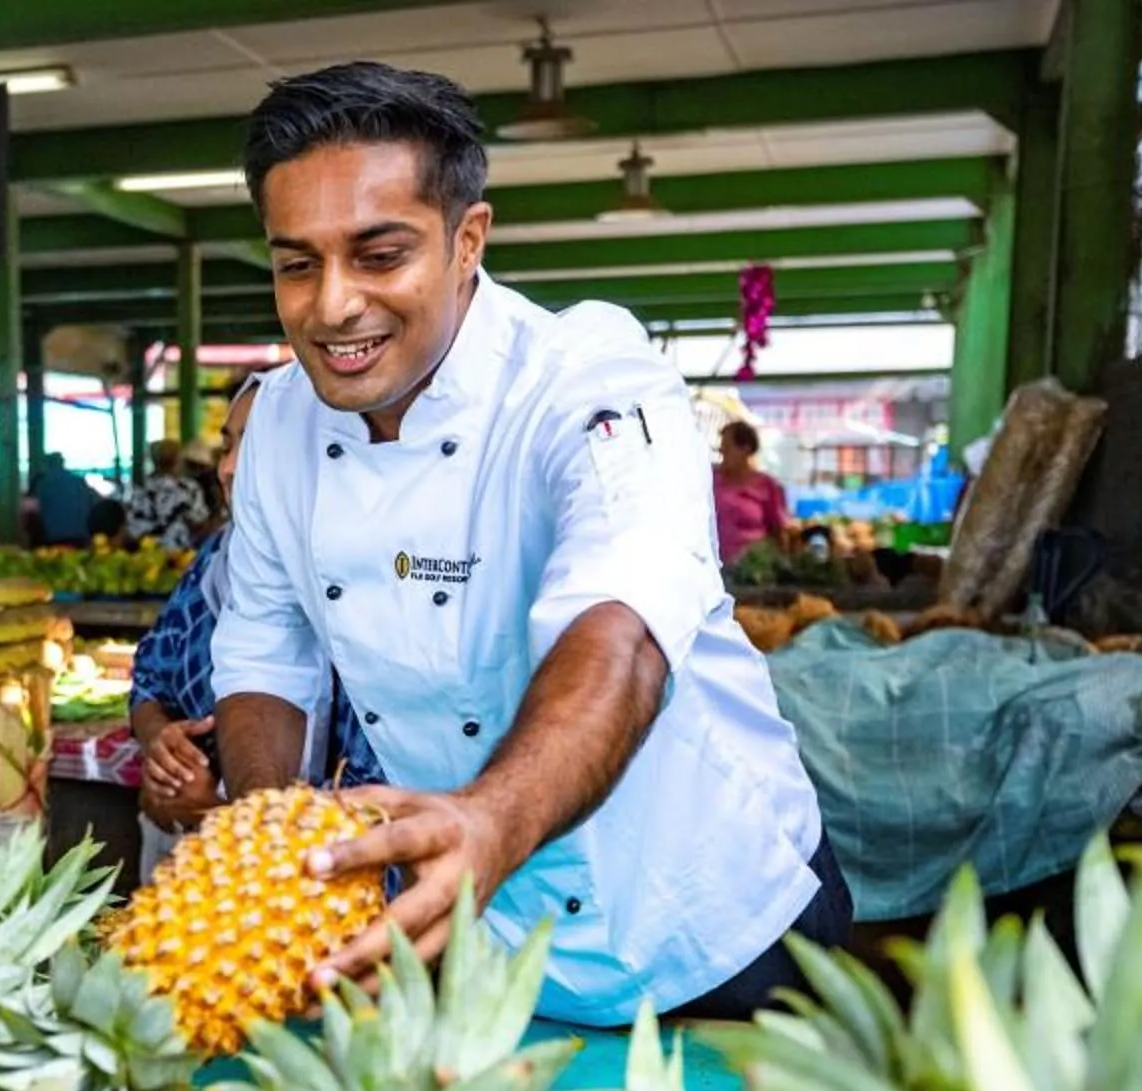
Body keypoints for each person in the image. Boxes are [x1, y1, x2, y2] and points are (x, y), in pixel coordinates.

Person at [208, 63, 845, 1025]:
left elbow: (621, 627)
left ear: (469, 241)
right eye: (297, 263)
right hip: (482, 937)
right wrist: (269, 841)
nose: (332, 305)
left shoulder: (588, 376)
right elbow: (263, 650)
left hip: (711, 921)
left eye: (379, 256)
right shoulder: (281, 426)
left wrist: (493, 820)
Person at [129, 371, 382, 874]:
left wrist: (223, 811)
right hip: (224, 874)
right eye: (228, 444)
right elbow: (149, 679)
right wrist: (166, 747)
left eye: (257, 443)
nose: (229, 467)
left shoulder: (374, 585)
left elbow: (380, 797)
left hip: (333, 874)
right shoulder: (213, 562)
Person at [711, 419, 791, 567]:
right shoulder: (710, 481)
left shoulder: (767, 486)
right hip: (713, 569)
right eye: (721, 448)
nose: (722, 452)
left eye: (727, 448)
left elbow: (779, 532)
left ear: (746, 449)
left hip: (752, 571)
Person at [127, 438, 213, 551]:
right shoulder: (189, 489)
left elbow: (133, 529)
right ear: (178, 461)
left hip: (148, 556)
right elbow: (199, 522)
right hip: (181, 556)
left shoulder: (140, 489)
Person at [29, 451, 98, 545]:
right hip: (80, 536)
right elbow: (94, 505)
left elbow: (32, 512)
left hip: (53, 538)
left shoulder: (42, 484)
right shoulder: (79, 482)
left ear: (47, 464)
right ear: (62, 463)